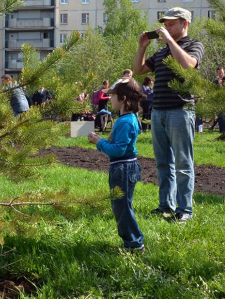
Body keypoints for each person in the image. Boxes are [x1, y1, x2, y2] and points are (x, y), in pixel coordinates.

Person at [133, 6, 204, 222]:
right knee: (163, 163)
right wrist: (142, 47)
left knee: (183, 163)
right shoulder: (162, 51)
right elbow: (138, 70)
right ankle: (165, 205)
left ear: (185, 24)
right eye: (165, 24)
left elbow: (188, 65)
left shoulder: (194, 45)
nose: (166, 27)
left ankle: (185, 210)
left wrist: (170, 42)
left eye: (171, 24)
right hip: (159, 112)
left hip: (180, 111)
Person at [87, 78, 145, 252]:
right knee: (122, 206)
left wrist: (99, 142)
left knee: (122, 208)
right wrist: (101, 140)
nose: (109, 99)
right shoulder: (127, 119)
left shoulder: (125, 121)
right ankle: (132, 242)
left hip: (123, 169)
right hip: (123, 168)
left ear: (124, 99)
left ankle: (134, 244)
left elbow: (118, 150)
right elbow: (119, 145)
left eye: (113, 96)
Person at [210, 67, 224, 132]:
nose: (220, 74)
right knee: (220, 117)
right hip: (219, 102)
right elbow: (212, 92)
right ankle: (222, 131)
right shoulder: (215, 82)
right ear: (217, 73)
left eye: (221, 72)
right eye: (219, 73)